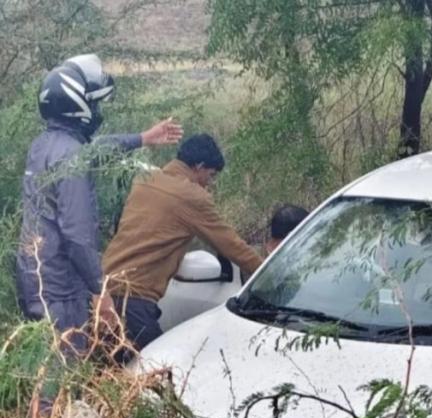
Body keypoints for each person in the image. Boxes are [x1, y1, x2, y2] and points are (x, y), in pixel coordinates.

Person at [16, 53, 183, 355]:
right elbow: (77, 236)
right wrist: (100, 291)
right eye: (94, 103)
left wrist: (143, 138)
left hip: (36, 278)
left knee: (41, 367)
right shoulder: (72, 158)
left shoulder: (45, 145)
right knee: (60, 374)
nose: (96, 110)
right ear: (78, 105)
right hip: (62, 290)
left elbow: (96, 149)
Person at [102, 133, 264, 351]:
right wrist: (270, 276)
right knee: (155, 376)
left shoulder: (144, 181)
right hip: (134, 301)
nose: (210, 184)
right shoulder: (191, 196)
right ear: (198, 166)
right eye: (211, 175)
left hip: (102, 292)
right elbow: (233, 246)